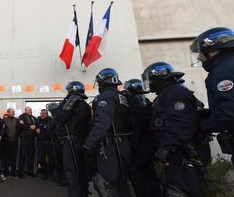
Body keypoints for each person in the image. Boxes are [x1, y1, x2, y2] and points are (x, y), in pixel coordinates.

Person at [142, 62, 206, 197]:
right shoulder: (167, 93)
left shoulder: (175, 92)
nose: (149, 83)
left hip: (182, 151)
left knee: (182, 190)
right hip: (176, 151)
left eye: (150, 80)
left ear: (158, 77)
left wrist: (166, 147)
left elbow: (183, 123)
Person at [82, 69, 131, 197]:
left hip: (109, 144)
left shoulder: (106, 96)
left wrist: (89, 143)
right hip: (123, 143)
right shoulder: (122, 96)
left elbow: (102, 123)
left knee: (105, 182)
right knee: (122, 182)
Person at [190, 27, 234, 162]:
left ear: (213, 50)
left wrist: (201, 127)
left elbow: (230, 111)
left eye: (200, 52)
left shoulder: (223, 70)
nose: (198, 57)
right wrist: (209, 113)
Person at [50, 81, 92, 197]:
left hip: (72, 141)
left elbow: (62, 117)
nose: (67, 92)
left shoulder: (74, 99)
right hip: (82, 140)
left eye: (68, 90)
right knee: (81, 170)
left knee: (71, 172)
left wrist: (54, 109)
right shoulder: (84, 103)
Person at [122, 79, 161, 197]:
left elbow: (137, 122)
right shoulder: (145, 100)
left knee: (137, 172)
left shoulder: (135, 100)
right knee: (150, 172)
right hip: (150, 140)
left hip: (141, 142)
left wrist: (133, 142)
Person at [35, 109, 56, 180]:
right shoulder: (38, 120)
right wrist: (36, 129)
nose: (42, 115)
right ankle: (45, 173)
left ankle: (52, 173)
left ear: (47, 114)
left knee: (51, 158)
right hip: (40, 142)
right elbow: (35, 128)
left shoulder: (51, 120)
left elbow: (54, 129)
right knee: (41, 158)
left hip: (49, 142)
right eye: (41, 113)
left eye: (43, 114)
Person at [17, 106, 37, 178]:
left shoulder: (33, 118)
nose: (31, 111)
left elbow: (36, 125)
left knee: (31, 156)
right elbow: (19, 125)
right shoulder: (21, 117)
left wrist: (36, 129)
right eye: (29, 110)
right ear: (25, 111)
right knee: (22, 156)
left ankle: (30, 171)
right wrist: (29, 127)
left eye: (31, 110)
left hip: (32, 140)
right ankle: (20, 172)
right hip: (24, 139)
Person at [2, 108, 20, 177]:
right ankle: (6, 172)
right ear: (8, 112)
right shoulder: (4, 120)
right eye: (12, 112)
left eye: (14, 112)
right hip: (6, 141)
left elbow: (19, 129)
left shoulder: (17, 120)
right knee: (6, 157)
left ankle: (13, 172)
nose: (14, 113)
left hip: (15, 141)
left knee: (14, 157)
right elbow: (2, 129)